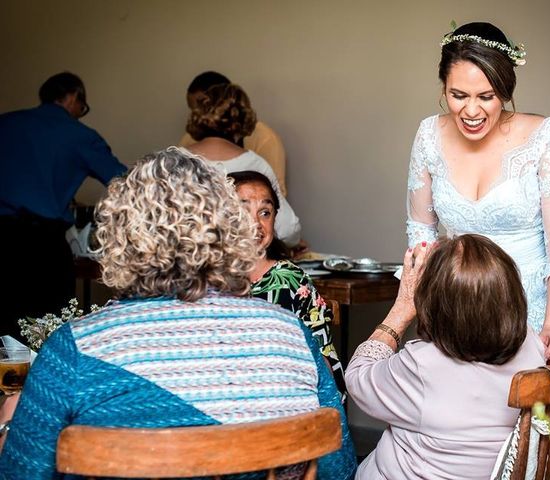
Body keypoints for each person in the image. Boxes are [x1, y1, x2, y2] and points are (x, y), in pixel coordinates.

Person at [0, 147, 356, 479]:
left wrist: (8, 426)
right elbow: (337, 469)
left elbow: (23, 472)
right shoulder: (291, 334)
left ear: (121, 235)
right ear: (231, 230)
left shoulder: (74, 350)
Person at [405, 21, 550, 444]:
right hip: (454, 307)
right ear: (443, 88)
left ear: (505, 91)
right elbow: (421, 230)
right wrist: (423, 309)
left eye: (486, 97)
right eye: (458, 95)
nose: (471, 111)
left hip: (530, 310)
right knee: (453, 440)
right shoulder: (428, 135)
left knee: (526, 442)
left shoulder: (545, 137)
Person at [346, 234, 546, 479]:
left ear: (435, 304)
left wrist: (402, 309)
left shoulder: (422, 365)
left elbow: (357, 377)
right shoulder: (533, 345)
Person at [0, 71, 127, 341]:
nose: (81, 113)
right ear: (73, 97)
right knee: (46, 331)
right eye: (83, 107)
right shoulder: (79, 135)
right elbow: (125, 182)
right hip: (40, 245)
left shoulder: (6, 124)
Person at [228, 170, 346, 401]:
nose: (256, 223)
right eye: (242, 211)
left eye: (265, 212)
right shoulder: (206, 280)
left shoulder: (290, 279)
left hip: (286, 396)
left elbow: (325, 358)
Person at [184, 82, 301, 247]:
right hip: (240, 267)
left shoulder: (170, 160)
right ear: (243, 120)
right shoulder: (254, 164)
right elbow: (288, 230)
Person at [179, 71, 288, 196]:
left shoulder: (265, 140)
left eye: (201, 107)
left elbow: (276, 198)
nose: (196, 115)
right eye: (193, 110)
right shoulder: (187, 142)